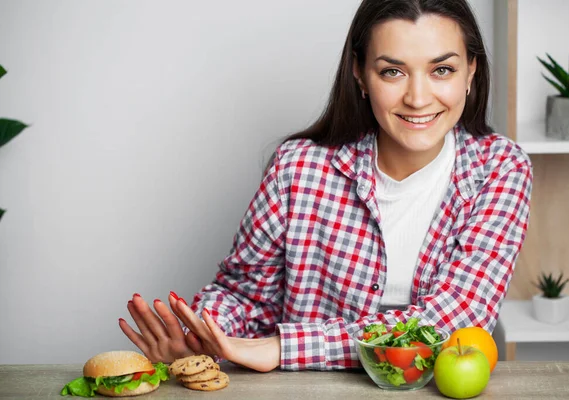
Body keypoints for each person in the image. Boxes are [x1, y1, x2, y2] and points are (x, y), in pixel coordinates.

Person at [119, 0, 532, 373]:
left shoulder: (501, 169)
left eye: (442, 69)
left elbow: (454, 317)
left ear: (471, 72)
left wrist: (284, 348)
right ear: (360, 74)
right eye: (393, 71)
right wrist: (200, 337)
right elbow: (245, 297)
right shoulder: (297, 168)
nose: (418, 98)